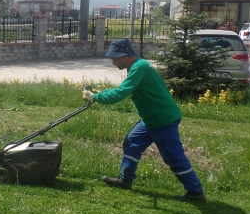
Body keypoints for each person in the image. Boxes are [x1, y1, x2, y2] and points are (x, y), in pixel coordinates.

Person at [82, 38, 206, 203]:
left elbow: (121, 93)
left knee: (174, 157)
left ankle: (195, 193)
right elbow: (127, 88)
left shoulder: (139, 68)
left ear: (124, 56)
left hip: (163, 119)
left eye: (114, 58)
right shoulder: (138, 66)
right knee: (132, 142)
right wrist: (100, 94)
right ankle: (124, 180)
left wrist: (94, 97)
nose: (112, 62)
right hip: (150, 119)